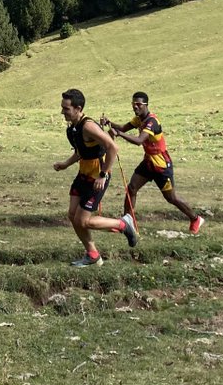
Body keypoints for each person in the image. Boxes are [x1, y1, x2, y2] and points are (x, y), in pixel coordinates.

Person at [53, 88, 139, 266]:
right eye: (62, 107)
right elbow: (81, 151)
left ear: (78, 108)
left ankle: (123, 224)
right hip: (83, 174)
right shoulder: (74, 127)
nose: (62, 112)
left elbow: (113, 147)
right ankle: (92, 254)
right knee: (72, 215)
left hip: (96, 176)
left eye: (66, 108)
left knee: (83, 221)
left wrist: (103, 174)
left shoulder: (88, 125)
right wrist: (65, 164)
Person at [101, 92, 204, 235]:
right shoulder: (139, 119)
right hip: (149, 162)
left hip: (161, 165)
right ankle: (126, 224)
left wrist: (119, 134)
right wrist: (109, 123)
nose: (135, 107)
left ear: (146, 105)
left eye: (138, 105)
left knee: (171, 198)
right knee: (131, 188)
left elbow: (139, 141)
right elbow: (123, 128)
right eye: (133, 104)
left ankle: (195, 218)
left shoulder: (151, 122)